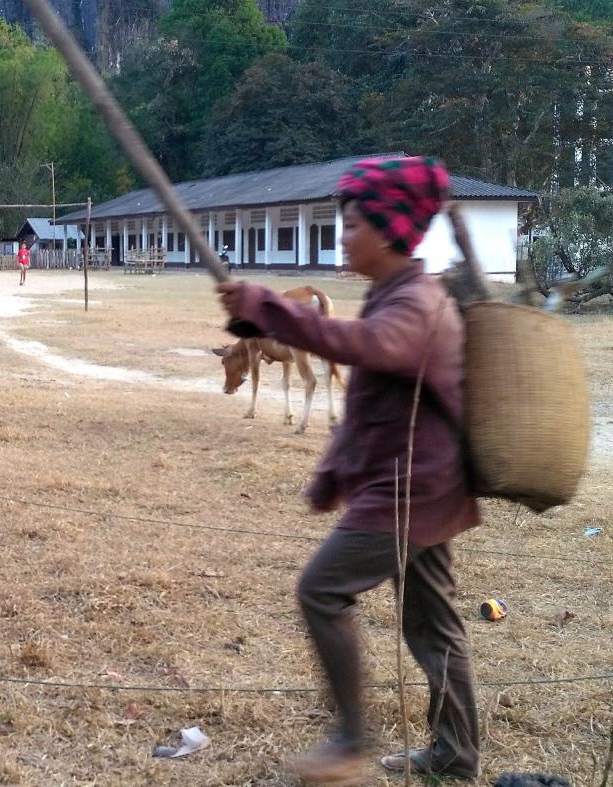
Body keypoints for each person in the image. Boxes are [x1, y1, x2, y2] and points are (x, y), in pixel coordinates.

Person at [216, 156, 480, 786]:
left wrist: (270, 308)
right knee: (433, 624)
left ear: (389, 229)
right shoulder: (394, 293)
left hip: (411, 493)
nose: (343, 235)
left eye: (354, 223)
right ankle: (455, 756)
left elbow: (363, 347)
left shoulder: (416, 302)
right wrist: (334, 474)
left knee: (321, 591)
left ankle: (350, 741)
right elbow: (371, 408)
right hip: (423, 487)